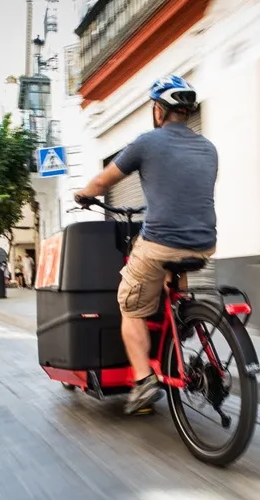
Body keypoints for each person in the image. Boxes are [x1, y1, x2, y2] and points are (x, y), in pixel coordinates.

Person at [74, 75, 218, 415]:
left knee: (130, 303)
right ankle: (180, 326)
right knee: (171, 275)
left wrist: (83, 194)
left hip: (160, 242)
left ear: (159, 110)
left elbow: (102, 181)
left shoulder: (147, 142)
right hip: (204, 244)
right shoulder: (209, 148)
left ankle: (142, 381)